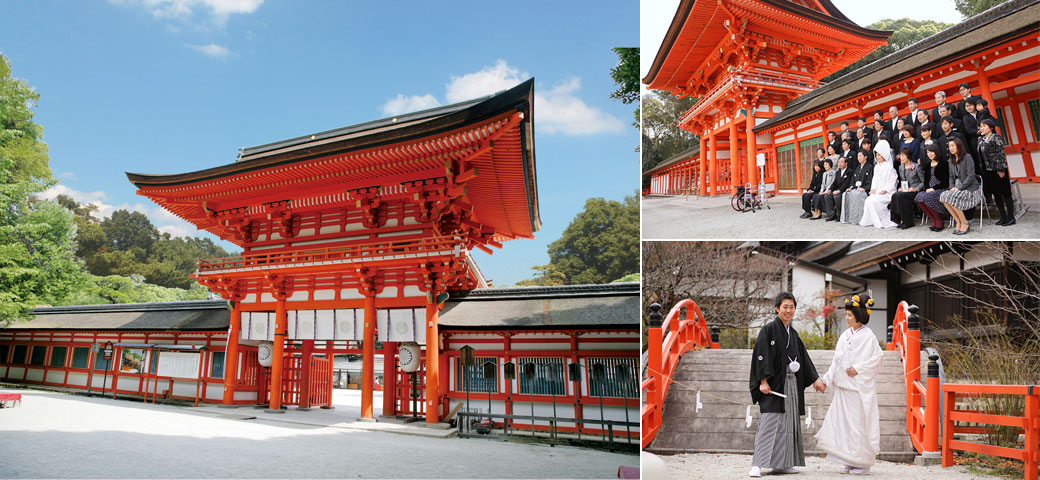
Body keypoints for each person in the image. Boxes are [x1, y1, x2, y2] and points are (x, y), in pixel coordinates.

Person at [749, 292, 826, 478]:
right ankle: (757, 464)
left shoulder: (794, 334)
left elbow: (804, 360)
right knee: (770, 422)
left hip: (791, 384)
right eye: (785, 307)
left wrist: (815, 379)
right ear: (777, 308)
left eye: (791, 307)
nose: (788, 310)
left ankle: (782, 463)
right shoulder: (768, 330)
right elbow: (761, 356)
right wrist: (763, 381)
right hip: (774, 384)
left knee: (788, 423)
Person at [815, 294, 884, 476]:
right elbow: (836, 362)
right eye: (846, 315)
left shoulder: (868, 336)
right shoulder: (845, 335)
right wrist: (825, 380)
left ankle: (862, 463)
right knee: (843, 426)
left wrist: (859, 368)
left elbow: (878, 358)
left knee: (858, 426)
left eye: (849, 315)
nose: (846, 318)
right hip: (843, 388)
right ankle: (848, 460)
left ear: (859, 315)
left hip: (858, 389)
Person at [978, 118, 1016, 226]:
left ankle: (1011, 217)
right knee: (997, 195)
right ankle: (1003, 217)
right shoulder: (981, 140)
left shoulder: (996, 137)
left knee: (1005, 194)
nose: (982, 128)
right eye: (981, 126)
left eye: (984, 126)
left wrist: (1001, 169)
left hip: (998, 170)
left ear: (991, 127)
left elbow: (1000, 153)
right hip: (988, 171)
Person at [940, 137, 980, 235]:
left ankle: (965, 222)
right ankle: (958, 221)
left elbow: (971, 175)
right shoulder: (951, 160)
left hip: (970, 189)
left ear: (959, 146)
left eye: (953, 146)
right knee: (943, 196)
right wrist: (951, 188)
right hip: (956, 188)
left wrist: (959, 188)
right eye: (949, 146)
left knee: (951, 197)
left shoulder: (967, 157)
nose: (951, 148)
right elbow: (951, 177)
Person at [860, 140, 899, 229]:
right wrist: (873, 188)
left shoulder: (889, 167)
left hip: (887, 192)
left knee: (874, 201)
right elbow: (875, 179)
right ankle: (871, 220)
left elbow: (893, 180)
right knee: (868, 200)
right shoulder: (877, 166)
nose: (877, 157)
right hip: (878, 190)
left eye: (879, 155)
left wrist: (885, 190)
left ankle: (881, 219)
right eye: (876, 155)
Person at [915, 144, 951, 232]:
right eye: (928, 152)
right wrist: (927, 188)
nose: (930, 154)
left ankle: (939, 220)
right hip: (929, 189)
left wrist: (934, 189)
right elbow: (926, 180)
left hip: (941, 188)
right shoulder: (927, 165)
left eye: (932, 152)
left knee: (929, 196)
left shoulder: (943, 164)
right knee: (919, 197)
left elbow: (945, 181)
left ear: (936, 152)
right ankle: (933, 219)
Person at [891, 148, 924, 229]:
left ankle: (907, 222)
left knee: (902, 196)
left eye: (903, 156)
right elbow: (903, 180)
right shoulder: (901, 167)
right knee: (895, 195)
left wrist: (915, 189)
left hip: (915, 190)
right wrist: (901, 188)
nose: (901, 158)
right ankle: (899, 220)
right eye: (900, 156)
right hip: (906, 190)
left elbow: (923, 182)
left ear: (908, 156)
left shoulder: (916, 167)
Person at [841, 149, 873, 224]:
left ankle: (859, 218)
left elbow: (870, 180)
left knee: (857, 194)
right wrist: (851, 187)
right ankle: (848, 218)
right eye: (858, 156)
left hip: (865, 190)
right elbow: (853, 180)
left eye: (860, 156)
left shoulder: (870, 167)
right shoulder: (858, 167)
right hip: (856, 188)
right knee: (845, 194)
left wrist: (864, 188)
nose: (859, 158)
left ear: (865, 157)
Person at [825, 156, 856, 222]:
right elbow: (834, 183)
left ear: (846, 163)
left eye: (842, 162)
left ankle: (839, 215)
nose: (840, 164)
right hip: (837, 190)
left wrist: (839, 190)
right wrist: (830, 189)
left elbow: (847, 183)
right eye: (839, 162)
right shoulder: (838, 172)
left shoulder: (850, 171)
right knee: (827, 196)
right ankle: (832, 215)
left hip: (845, 190)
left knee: (837, 197)